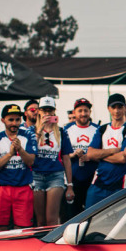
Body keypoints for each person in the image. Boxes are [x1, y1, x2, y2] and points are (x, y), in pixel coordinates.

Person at [0, 104, 37, 231]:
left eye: (17, 120)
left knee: (22, 230)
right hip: (2, 188)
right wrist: (10, 154)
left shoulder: (29, 136)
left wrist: (20, 149)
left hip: (23, 187)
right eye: (11, 120)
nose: (14, 123)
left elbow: (31, 162)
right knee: (0, 229)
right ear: (3, 120)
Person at [31, 96, 73, 227]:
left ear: (54, 111)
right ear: (39, 111)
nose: (47, 113)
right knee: (40, 220)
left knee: (52, 219)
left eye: (50, 110)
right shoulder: (31, 130)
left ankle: (52, 244)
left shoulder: (61, 131)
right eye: (44, 110)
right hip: (36, 175)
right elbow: (29, 150)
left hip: (55, 175)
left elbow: (66, 158)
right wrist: (39, 129)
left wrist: (70, 185)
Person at [86, 93, 126, 208]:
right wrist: (114, 150)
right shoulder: (102, 129)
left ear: (125, 108)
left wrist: (100, 154)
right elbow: (90, 154)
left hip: (120, 184)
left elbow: (122, 158)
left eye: (120, 107)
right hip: (99, 182)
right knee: (90, 219)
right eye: (113, 107)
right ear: (108, 109)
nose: (116, 111)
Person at [63, 98, 99, 219]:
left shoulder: (98, 129)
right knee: (72, 215)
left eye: (86, 110)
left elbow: (102, 154)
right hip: (73, 178)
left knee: (91, 214)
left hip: (92, 178)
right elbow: (62, 155)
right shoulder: (66, 130)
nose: (83, 113)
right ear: (74, 112)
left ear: (90, 112)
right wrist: (73, 154)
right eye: (80, 111)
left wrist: (90, 156)